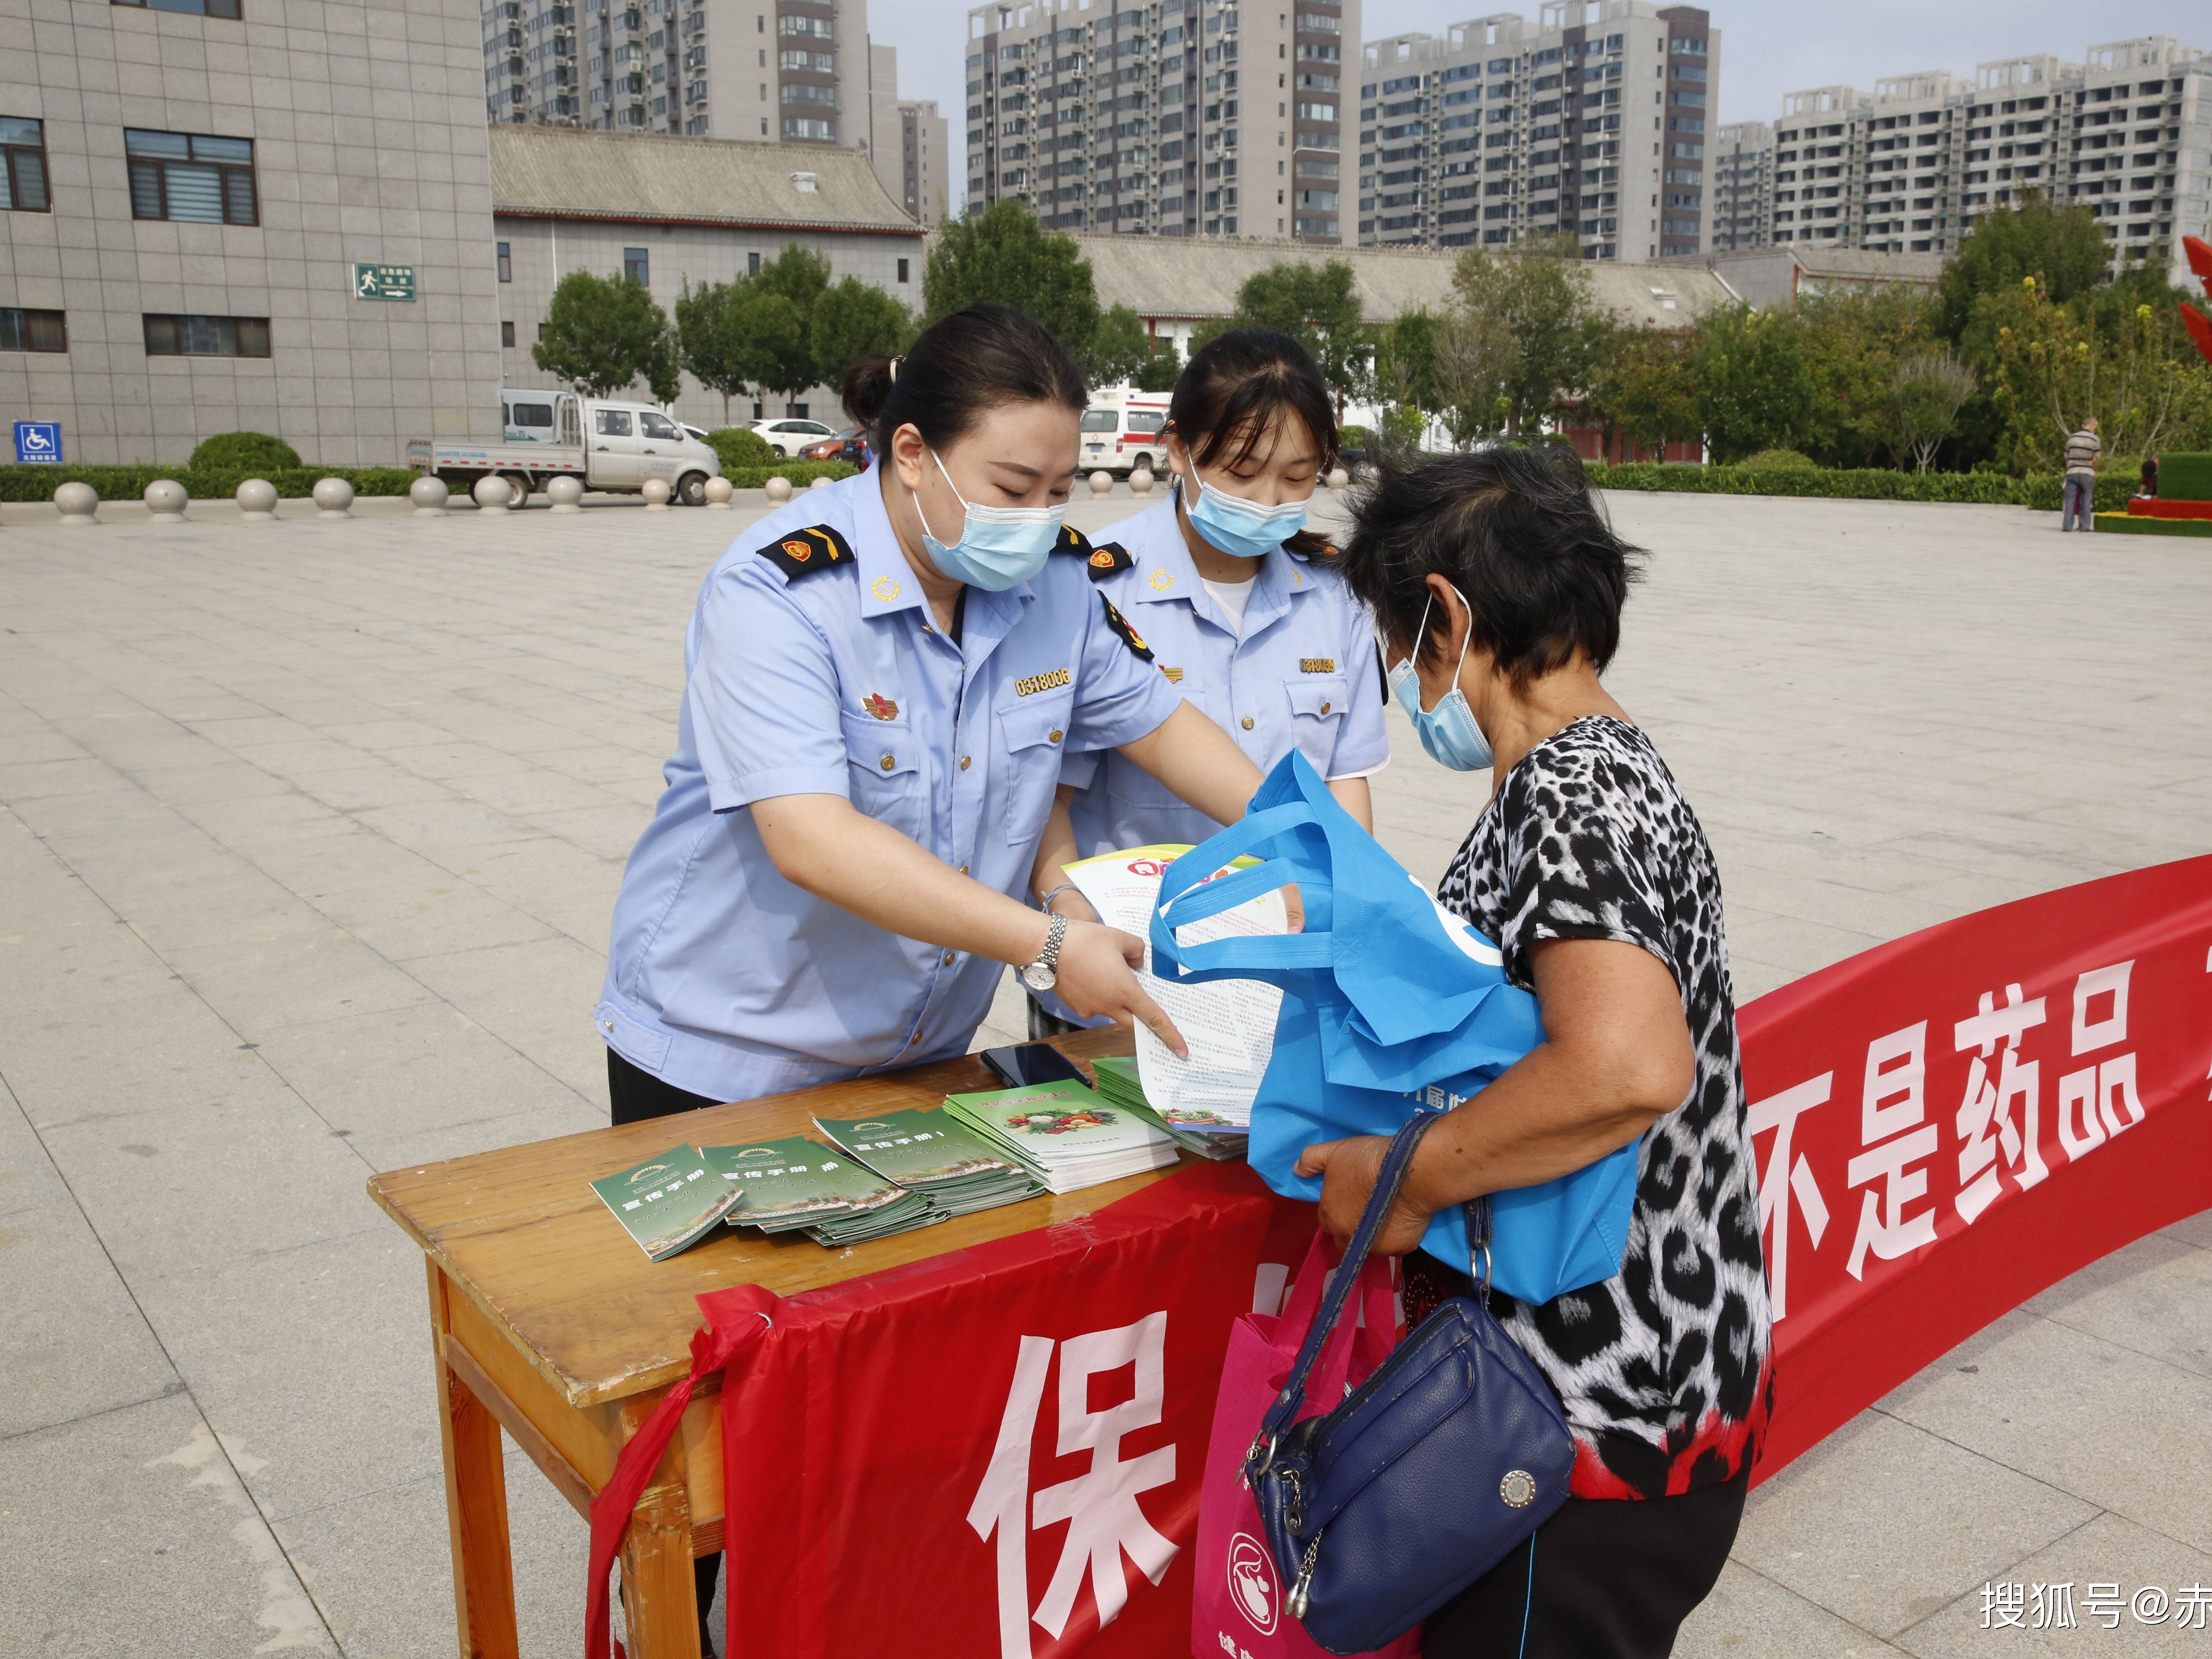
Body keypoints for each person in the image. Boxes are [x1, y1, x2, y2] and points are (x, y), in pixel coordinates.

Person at [594, 303, 1270, 1650]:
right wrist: (1042, 940)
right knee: (728, 1433)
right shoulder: (777, 589)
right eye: (1013, 486)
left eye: (1063, 488)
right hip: (726, 1056)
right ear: (913, 452)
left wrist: (1325, 860)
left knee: (883, 1406)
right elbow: (812, 835)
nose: (1039, 516)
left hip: (916, 1060)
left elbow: (1177, 734)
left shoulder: (1057, 587)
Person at [1304, 445, 1771, 1659]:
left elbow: (1626, 1066)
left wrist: (1401, 1179)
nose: (1400, 677)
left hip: (1573, 1429)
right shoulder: (1609, 767)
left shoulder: (1571, 791)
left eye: (1398, 640)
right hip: (1633, 1409)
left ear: (1451, 618)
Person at [1026, 327, 1391, 1035]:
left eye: (1297, 477)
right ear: (1177, 451)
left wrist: (1345, 908)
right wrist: (1070, 928)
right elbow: (1047, 803)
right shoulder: (1097, 588)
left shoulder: (1335, 593)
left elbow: (1346, 780)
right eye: (1242, 471)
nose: (1267, 499)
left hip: (1282, 982)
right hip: (1126, 981)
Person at [2062, 416, 2102, 531]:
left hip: (2072, 471)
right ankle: (2085, 526)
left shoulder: (2072, 438)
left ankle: (2067, 526)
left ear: (2084, 425)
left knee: (2070, 499)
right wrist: (2095, 471)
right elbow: (2095, 460)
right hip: (2087, 472)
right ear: (2093, 427)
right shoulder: (2095, 440)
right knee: (2086, 499)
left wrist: (2069, 467)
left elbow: (2066, 457)